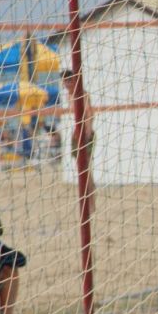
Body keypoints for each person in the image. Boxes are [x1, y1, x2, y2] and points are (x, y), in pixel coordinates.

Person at [62, 69, 96, 211]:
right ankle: (87, 201)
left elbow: (89, 115)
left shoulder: (82, 94)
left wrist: (87, 133)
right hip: (76, 135)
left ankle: (91, 202)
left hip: (85, 134)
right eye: (65, 82)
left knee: (85, 169)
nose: (66, 84)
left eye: (69, 81)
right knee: (80, 168)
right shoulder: (69, 95)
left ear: (75, 81)